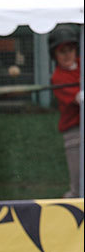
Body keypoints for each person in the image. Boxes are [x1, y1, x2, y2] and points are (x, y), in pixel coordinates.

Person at [49, 24, 81, 198]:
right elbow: (78, 99)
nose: (68, 55)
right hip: (74, 134)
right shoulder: (58, 77)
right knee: (78, 187)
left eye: (70, 49)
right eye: (62, 51)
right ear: (55, 55)